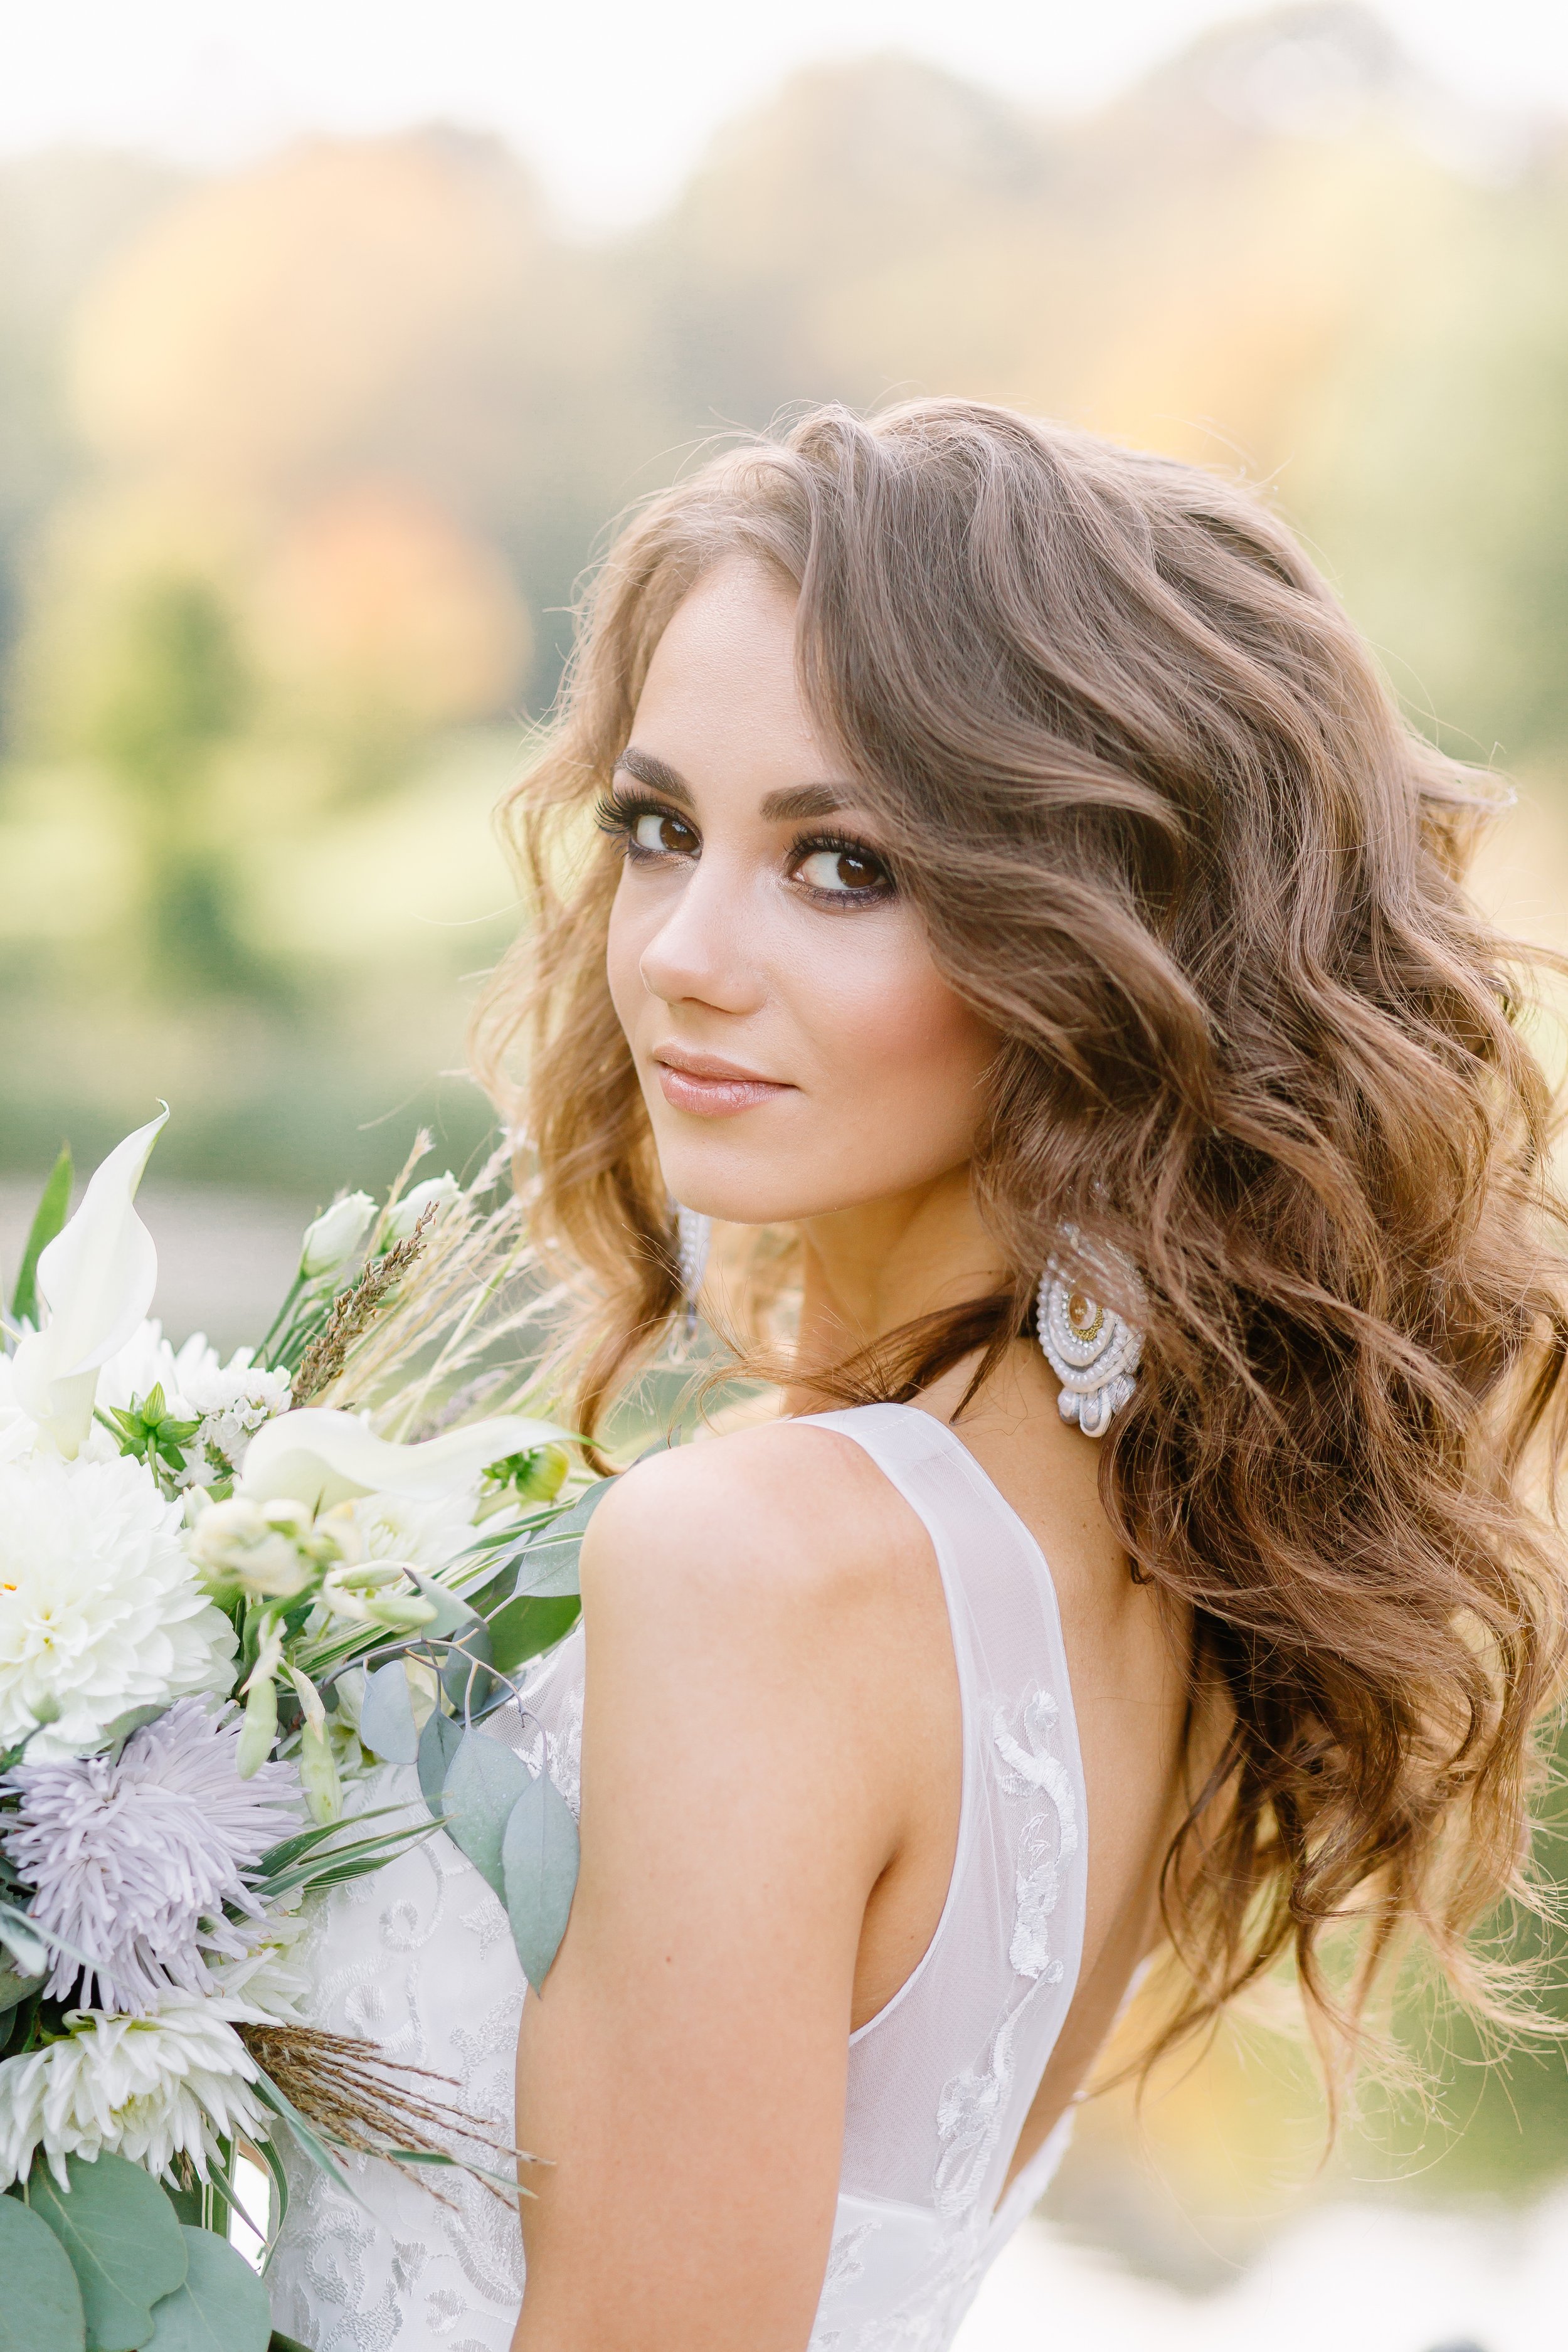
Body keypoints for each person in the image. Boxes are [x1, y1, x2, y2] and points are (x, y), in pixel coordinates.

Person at [267, 401, 1568, 2352]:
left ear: (1112, 940)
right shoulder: (1131, 1541)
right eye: (655, 828)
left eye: (846, 864)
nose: (688, 955)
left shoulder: (756, 1565)